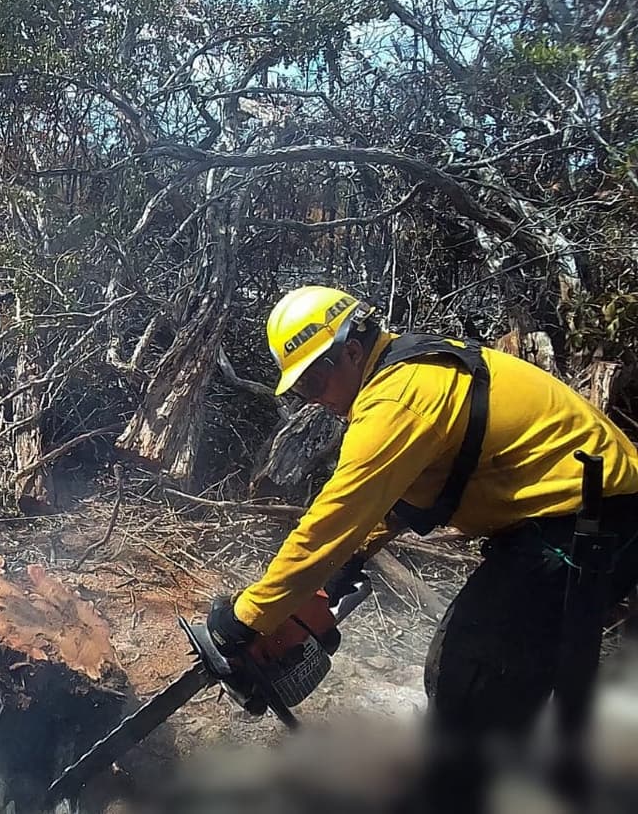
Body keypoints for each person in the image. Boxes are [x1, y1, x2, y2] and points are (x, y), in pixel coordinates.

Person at [207, 285, 638, 808]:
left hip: (589, 521)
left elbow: (332, 520)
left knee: (470, 674)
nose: (317, 397)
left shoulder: (396, 399)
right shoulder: (412, 373)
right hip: (577, 518)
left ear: (350, 348)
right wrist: (354, 558)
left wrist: (248, 616)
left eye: (317, 379)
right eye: (303, 390)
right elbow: (413, 496)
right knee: (484, 674)